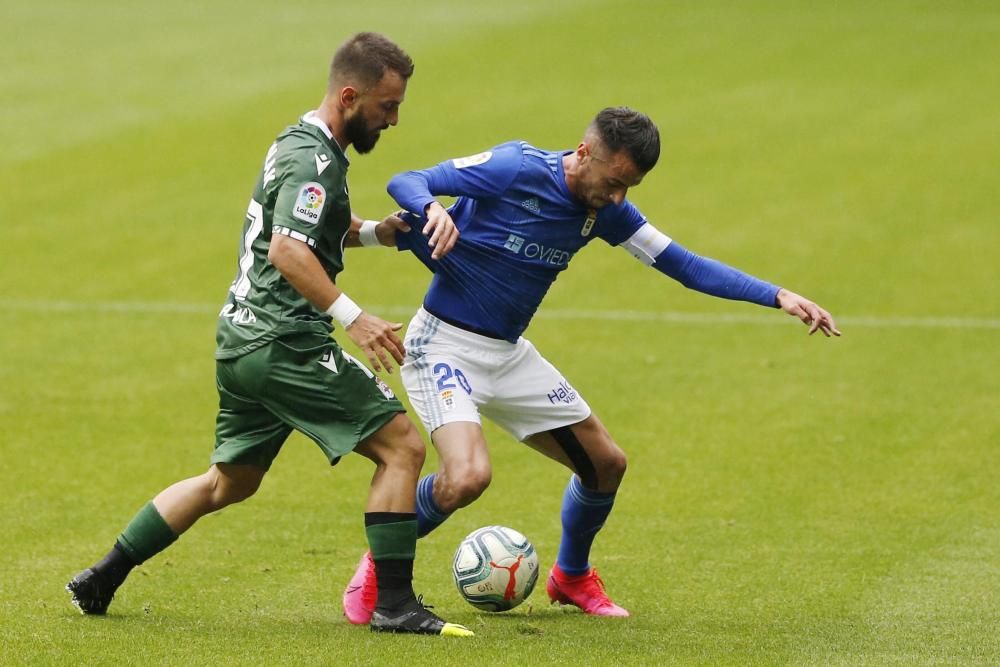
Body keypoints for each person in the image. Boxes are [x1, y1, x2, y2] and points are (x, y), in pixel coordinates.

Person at [341, 106, 840, 622]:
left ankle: (571, 577)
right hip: (442, 346)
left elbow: (684, 266)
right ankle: (379, 570)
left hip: (507, 355)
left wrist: (777, 295)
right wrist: (433, 208)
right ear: (583, 154)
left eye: (631, 186)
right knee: (466, 477)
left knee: (606, 465)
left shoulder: (608, 211)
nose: (619, 196)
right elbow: (409, 180)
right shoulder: (515, 166)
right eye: (615, 181)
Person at [66, 32, 472, 637]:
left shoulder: (299, 143)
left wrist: (375, 234)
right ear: (350, 94)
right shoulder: (316, 160)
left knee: (228, 481)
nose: (392, 119)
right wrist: (354, 317)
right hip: (286, 343)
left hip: (242, 341)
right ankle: (393, 604)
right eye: (387, 107)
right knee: (404, 449)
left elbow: (311, 228)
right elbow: (287, 249)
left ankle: (102, 575)